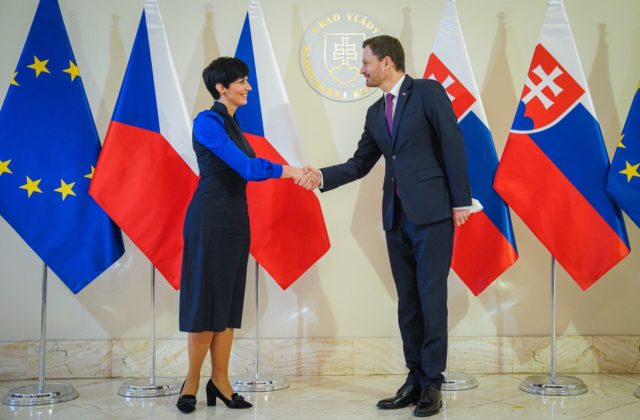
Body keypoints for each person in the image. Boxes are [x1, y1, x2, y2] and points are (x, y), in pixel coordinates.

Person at [303, 35, 472, 417]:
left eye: (365, 62)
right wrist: (321, 177)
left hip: (432, 215)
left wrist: (460, 201)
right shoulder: (375, 113)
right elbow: (360, 163)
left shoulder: (427, 92)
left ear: (387, 62)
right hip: (396, 218)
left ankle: (433, 383)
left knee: (431, 300)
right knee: (408, 303)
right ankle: (414, 378)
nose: (361, 70)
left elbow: (453, 144)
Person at [177, 57, 304, 414]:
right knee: (206, 302)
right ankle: (191, 382)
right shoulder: (207, 122)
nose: (248, 87)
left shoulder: (233, 123)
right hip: (210, 218)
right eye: (241, 81)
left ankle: (220, 380)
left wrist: (292, 172)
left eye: (247, 80)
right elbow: (247, 168)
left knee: (228, 303)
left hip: (235, 218)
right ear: (221, 87)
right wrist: (292, 171)